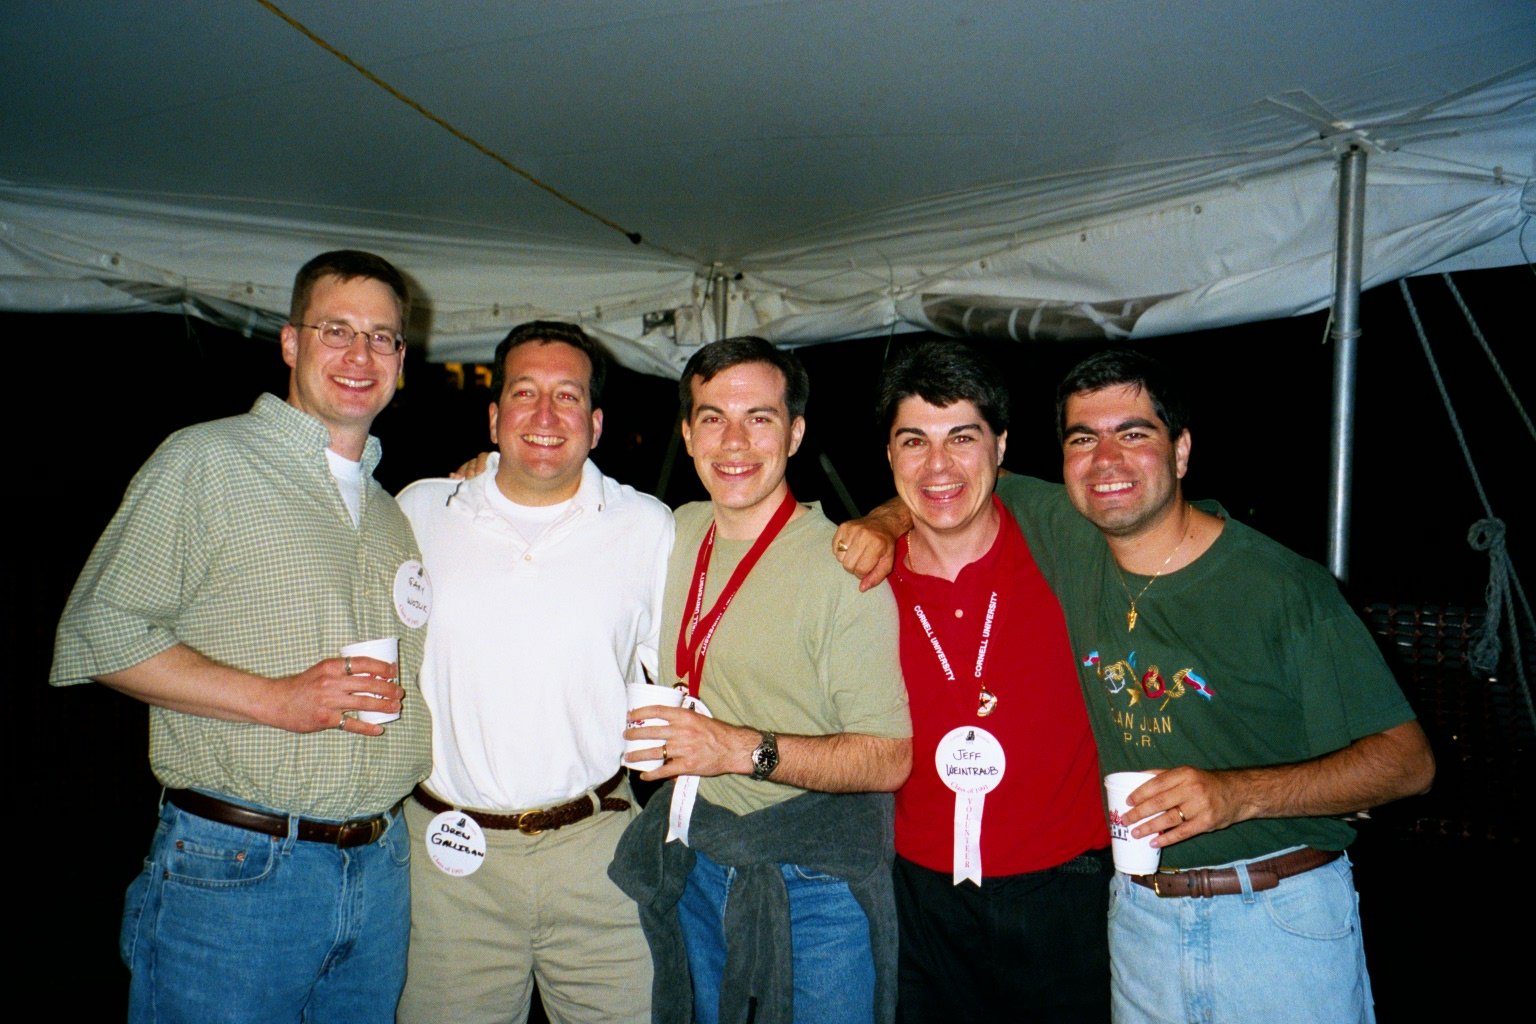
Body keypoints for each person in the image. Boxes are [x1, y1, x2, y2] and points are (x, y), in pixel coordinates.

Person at [836, 346, 1434, 1024]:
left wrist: (1237, 794)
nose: (1106, 460)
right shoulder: (1066, 530)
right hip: (1138, 917)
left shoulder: (1279, 585)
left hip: (1273, 909)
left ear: (1181, 451)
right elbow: (941, 482)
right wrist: (881, 521)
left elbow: (1408, 762)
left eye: (1134, 434)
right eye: (1083, 439)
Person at [51, 249, 433, 1022]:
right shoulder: (208, 460)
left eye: (383, 338)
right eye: (337, 331)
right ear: (291, 343)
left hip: (382, 869)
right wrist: (275, 699)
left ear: (402, 359)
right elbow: (99, 630)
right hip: (239, 872)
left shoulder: (394, 510)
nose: (361, 356)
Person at [609, 336, 913, 1024]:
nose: (735, 441)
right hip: (700, 855)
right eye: (713, 417)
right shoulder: (666, 532)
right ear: (687, 434)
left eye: (761, 417)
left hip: (817, 883)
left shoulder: (844, 569)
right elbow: (561, 499)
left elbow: (890, 756)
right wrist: (483, 471)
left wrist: (737, 749)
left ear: (796, 432)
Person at [395, 321, 671, 1024]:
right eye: (524, 394)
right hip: (449, 865)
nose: (545, 417)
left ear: (596, 423)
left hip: (599, 854)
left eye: (568, 397)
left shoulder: (648, 528)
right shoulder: (420, 511)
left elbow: (684, 677)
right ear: (493, 417)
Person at [875, 342, 1110, 1023]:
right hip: (917, 896)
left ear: (1001, 446)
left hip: (1065, 892)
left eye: (963, 438)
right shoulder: (862, 580)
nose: (938, 466)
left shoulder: (1068, 550)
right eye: (913, 441)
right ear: (889, 456)